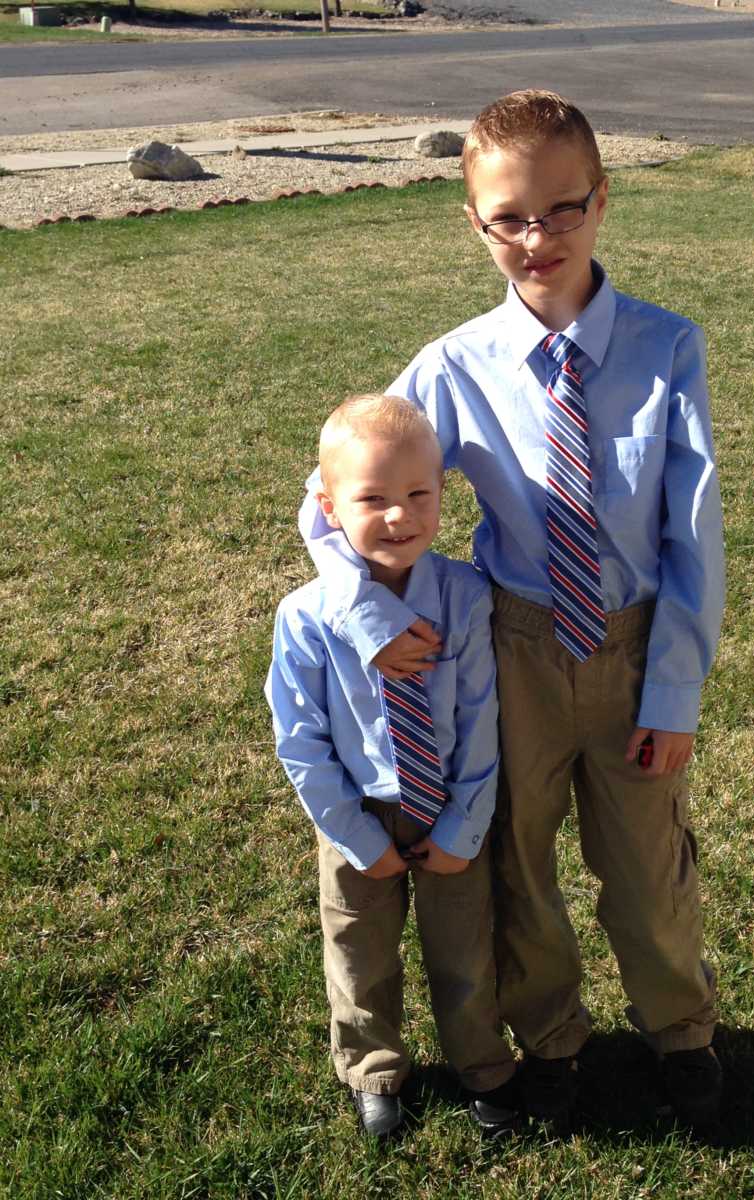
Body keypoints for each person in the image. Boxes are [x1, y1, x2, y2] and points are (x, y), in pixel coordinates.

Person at [298, 91, 726, 1132]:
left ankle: (682, 1032)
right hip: (514, 647)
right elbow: (329, 500)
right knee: (518, 862)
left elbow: (692, 535)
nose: (539, 239)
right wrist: (366, 616)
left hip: (629, 650)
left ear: (603, 200)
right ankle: (555, 1040)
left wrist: (671, 690)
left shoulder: (669, 351)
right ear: (475, 221)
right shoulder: (452, 368)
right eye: (510, 219)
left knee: (646, 866)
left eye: (564, 210)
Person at [265, 394, 519, 1142]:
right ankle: (376, 1069)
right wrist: (357, 838)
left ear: (444, 494)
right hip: (358, 813)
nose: (400, 517)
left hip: (449, 808)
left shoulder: (465, 597)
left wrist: (464, 824)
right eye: (372, 499)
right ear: (328, 504)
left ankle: (481, 1064)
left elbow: (482, 717)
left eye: (419, 496)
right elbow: (300, 740)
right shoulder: (305, 615)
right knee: (358, 948)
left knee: (466, 948)